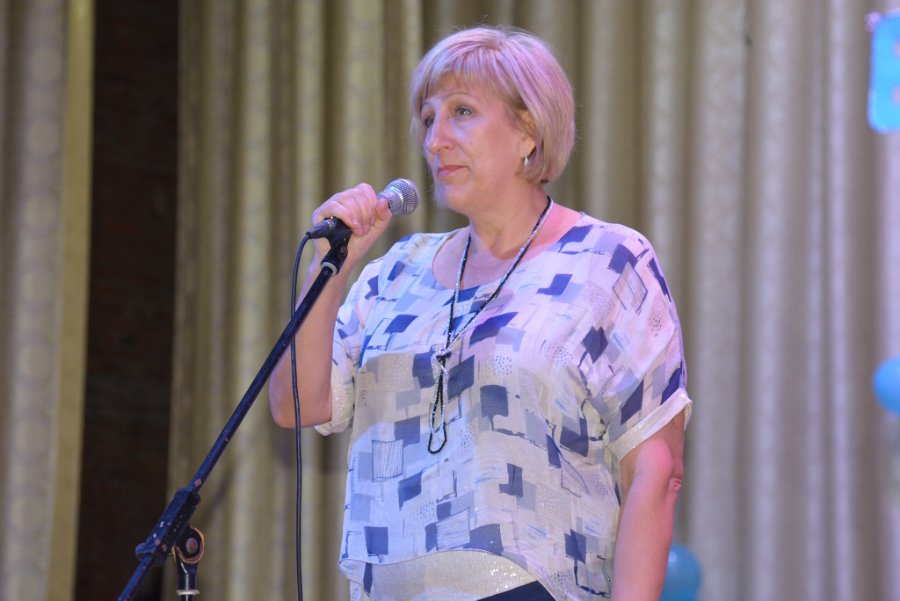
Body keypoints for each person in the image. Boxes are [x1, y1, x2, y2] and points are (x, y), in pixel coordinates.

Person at [270, 25, 691, 601]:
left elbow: (655, 471)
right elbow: (296, 403)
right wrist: (332, 270)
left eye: (461, 112)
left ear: (528, 130)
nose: (436, 139)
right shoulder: (397, 272)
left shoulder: (607, 263)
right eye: (428, 119)